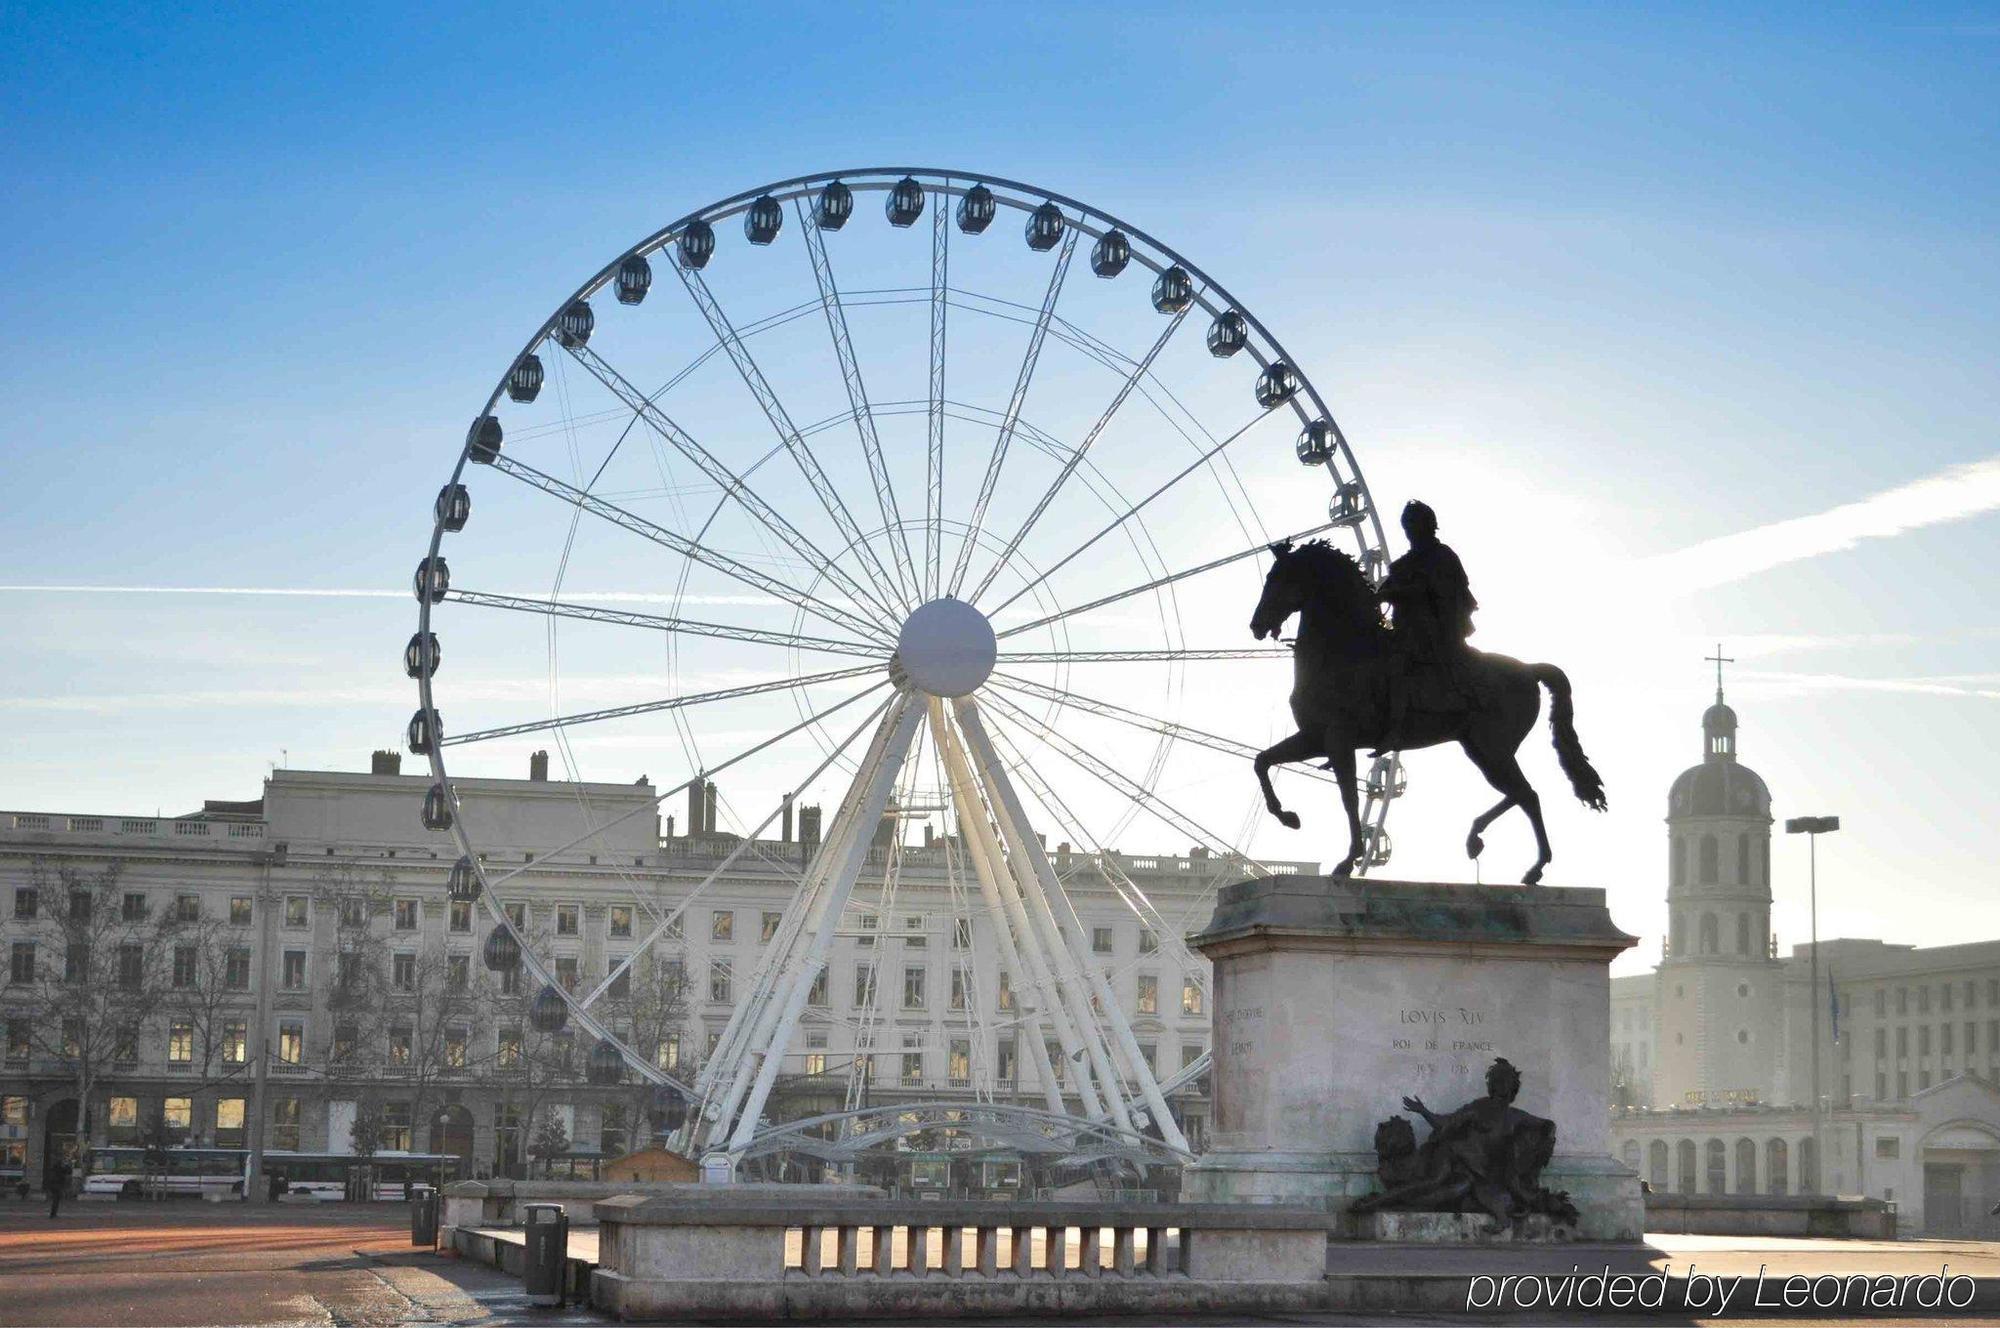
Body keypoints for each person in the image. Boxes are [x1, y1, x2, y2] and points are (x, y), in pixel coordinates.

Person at [1376, 500, 1479, 746]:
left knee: (1399, 662)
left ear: (1427, 526)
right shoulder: (1404, 563)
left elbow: (1439, 589)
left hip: (1434, 628)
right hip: (1405, 627)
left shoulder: (1442, 556)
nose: (1410, 532)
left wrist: (1398, 593)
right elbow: (1388, 587)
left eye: (1414, 526)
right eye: (1407, 527)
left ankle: (1395, 728)